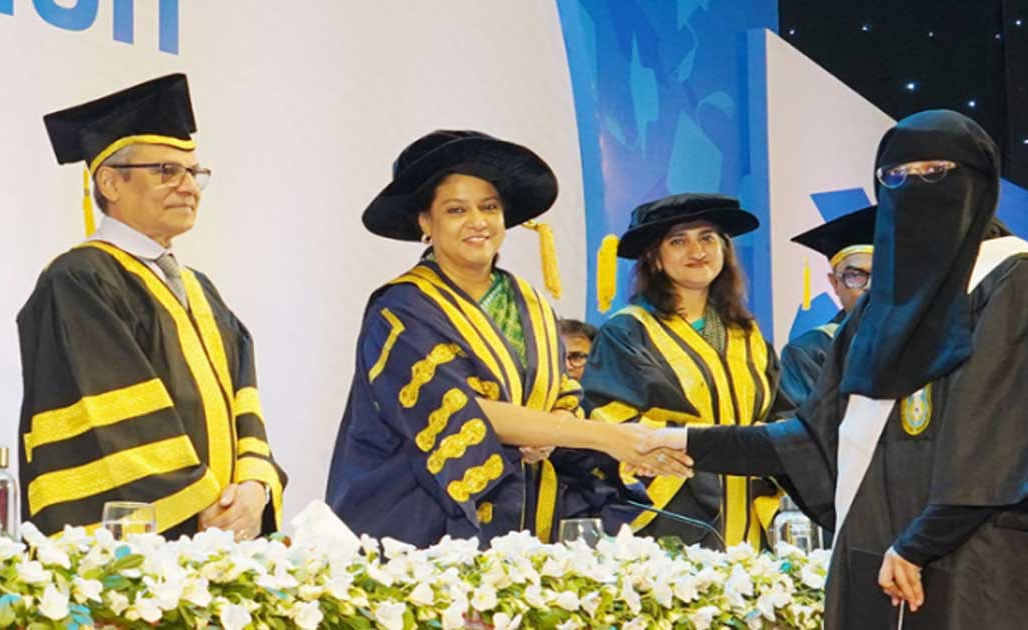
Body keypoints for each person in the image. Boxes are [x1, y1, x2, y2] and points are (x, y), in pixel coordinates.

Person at [640, 110, 1028, 628]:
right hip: (883, 560)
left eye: (935, 172)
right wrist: (685, 441)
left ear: (980, 183)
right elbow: (812, 440)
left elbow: (1007, 440)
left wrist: (919, 544)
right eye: (896, 176)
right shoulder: (878, 310)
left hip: (990, 563)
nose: (914, 188)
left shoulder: (1015, 279)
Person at [325, 130, 690, 547]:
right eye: (456, 210)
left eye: (490, 207)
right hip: (419, 520)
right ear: (425, 222)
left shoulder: (530, 302)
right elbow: (462, 410)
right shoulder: (402, 309)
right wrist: (609, 437)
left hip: (519, 517)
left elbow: (561, 394)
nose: (478, 222)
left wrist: (550, 437)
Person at [17, 74, 286, 541]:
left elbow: (245, 404)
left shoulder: (201, 290)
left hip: (218, 547)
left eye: (194, 173)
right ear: (110, 182)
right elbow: (108, 421)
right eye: (166, 171)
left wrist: (254, 489)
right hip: (138, 552)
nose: (188, 187)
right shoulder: (79, 279)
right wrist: (204, 504)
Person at [580, 193, 791, 550]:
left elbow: (780, 413)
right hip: (673, 519)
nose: (697, 251)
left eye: (708, 238)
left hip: (750, 519)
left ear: (724, 250)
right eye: (678, 241)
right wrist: (708, 449)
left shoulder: (748, 334)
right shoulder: (629, 331)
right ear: (655, 259)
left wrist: (766, 442)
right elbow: (610, 419)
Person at [779, 205, 876, 407]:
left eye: (882, 274)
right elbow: (799, 423)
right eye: (855, 276)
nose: (870, 287)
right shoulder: (809, 352)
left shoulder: (923, 342)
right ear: (835, 283)